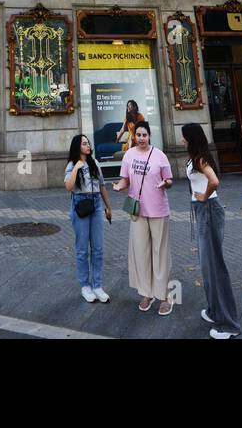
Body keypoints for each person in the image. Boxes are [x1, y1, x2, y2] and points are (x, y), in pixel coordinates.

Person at [182, 123, 241, 339]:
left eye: (184, 137)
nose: (182, 140)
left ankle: (228, 324)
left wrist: (204, 196)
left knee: (214, 267)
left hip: (208, 210)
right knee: (207, 267)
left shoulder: (199, 159)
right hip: (203, 211)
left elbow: (215, 181)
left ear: (191, 138)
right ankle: (214, 310)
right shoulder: (197, 156)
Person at [112, 120, 174, 316]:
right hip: (137, 211)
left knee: (160, 253)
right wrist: (119, 187)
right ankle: (147, 293)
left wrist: (166, 183)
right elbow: (126, 179)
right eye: (138, 135)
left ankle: (164, 296)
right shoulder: (129, 155)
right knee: (141, 252)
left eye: (144, 135)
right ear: (134, 136)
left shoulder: (159, 155)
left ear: (149, 136)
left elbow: (170, 180)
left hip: (158, 210)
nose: (141, 138)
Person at [64, 133, 112, 304]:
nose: (88, 146)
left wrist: (108, 206)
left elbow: (102, 185)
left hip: (96, 204)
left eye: (88, 143)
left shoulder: (94, 162)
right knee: (82, 249)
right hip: (80, 205)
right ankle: (85, 286)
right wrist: (77, 167)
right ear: (78, 147)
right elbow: (69, 187)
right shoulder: (71, 165)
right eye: (84, 143)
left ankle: (97, 285)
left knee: (98, 248)